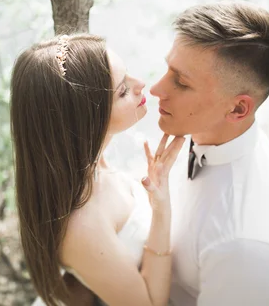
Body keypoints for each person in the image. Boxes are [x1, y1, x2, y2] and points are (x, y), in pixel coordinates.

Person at [10, 33, 185, 306]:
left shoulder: (91, 164)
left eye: (128, 76)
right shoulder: (81, 225)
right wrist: (161, 207)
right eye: (123, 91)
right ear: (84, 119)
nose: (142, 86)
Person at [149, 0, 269, 305]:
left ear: (237, 108)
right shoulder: (209, 131)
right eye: (168, 69)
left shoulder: (247, 248)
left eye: (181, 82)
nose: (155, 89)